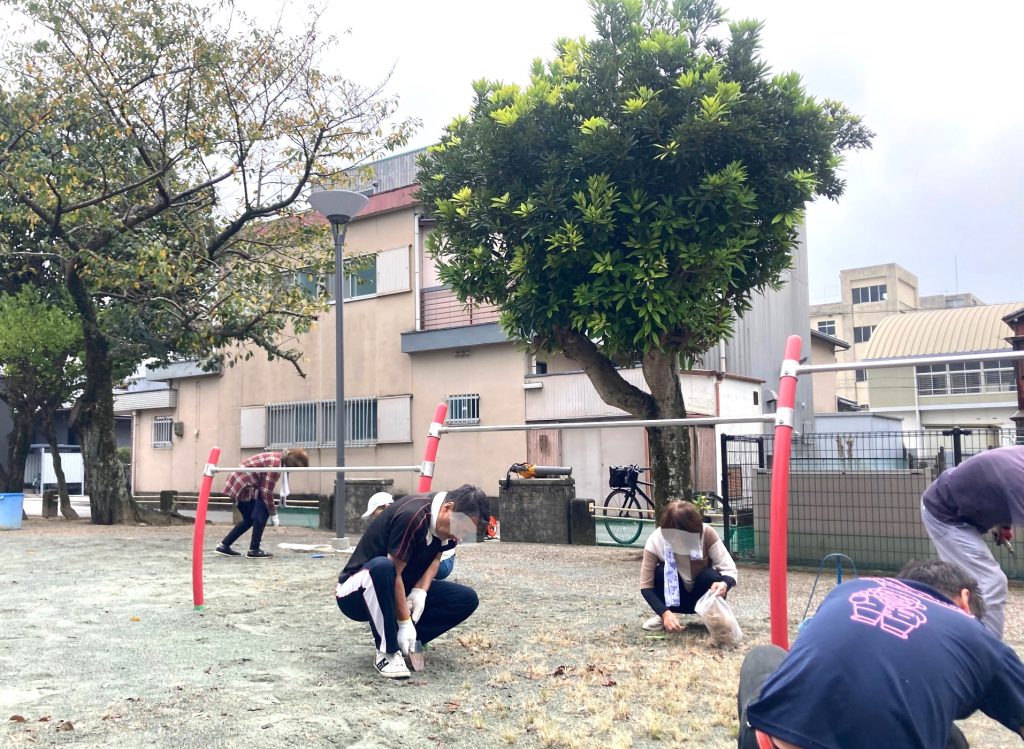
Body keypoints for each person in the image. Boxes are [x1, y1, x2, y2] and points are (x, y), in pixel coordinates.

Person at [737, 560, 1024, 749]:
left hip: (774, 743)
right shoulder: (975, 634)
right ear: (964, 600)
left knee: (763, 657)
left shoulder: (851, 589)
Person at [335, 484, 489, 679]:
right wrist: (404, 621)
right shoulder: (412, 516)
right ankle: (387, 652)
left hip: (395, 586)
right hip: (356, 593)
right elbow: (394, 573)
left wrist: (420, 591)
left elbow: (436, 557)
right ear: (448, 508)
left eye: (465, 532)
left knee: (466, 598)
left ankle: (406, 641)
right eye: (460, 528)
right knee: (383, 567)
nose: (459, 536)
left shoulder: (447, 526)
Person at [921, 445, 1024, 639]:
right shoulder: (1020, 482)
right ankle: (988, 655)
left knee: (967, 584)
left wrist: (1004, 526)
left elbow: (999, 485)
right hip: (944, 513)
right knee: (990, 583)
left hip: (955, 500)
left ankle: (953, 633)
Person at [639, 499, 738, 632]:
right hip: (673, 600)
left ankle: (713, 617)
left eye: (685, 538)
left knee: (711, 576)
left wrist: (724, 585)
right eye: (674, 537)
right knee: (660, 572)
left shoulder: (707, 533)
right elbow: (646, 586)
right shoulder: (656, 540)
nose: (679, 542)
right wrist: (664, 612)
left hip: (702, 597)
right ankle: (667, 618)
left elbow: (729, 569)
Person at [215, 448, 309, 559]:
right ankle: (254, 550)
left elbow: (263, 489)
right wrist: (274, 514)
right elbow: (266, 492)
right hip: (242, 484)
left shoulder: (278, 459)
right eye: (295, 467)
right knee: (263, 510)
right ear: (291, 461)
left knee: (249, 519)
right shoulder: (275, 465)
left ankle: (224, 545)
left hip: (242, 483)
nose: (294, 470)